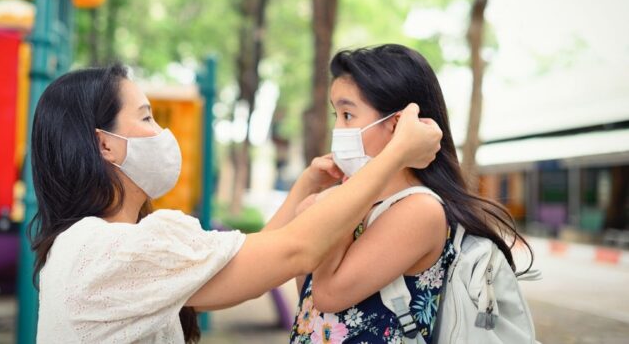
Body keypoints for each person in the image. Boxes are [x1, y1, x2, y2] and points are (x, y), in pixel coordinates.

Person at [30, 63, 442, 343]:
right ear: (105, 144)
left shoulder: (97, 245)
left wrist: (306, 185)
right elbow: (294, 252)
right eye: (147, 117)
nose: (162, 133)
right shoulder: (108, 252)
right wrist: (396, 154)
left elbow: (253, 260)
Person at [289, 44, 533, 344]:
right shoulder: (358, 202)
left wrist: (337, 201)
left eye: (348, 114)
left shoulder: (419, 210)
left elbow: (327, 296)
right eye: (335, 114)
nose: (337, 128)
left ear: (397, 124)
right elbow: (307, 296)